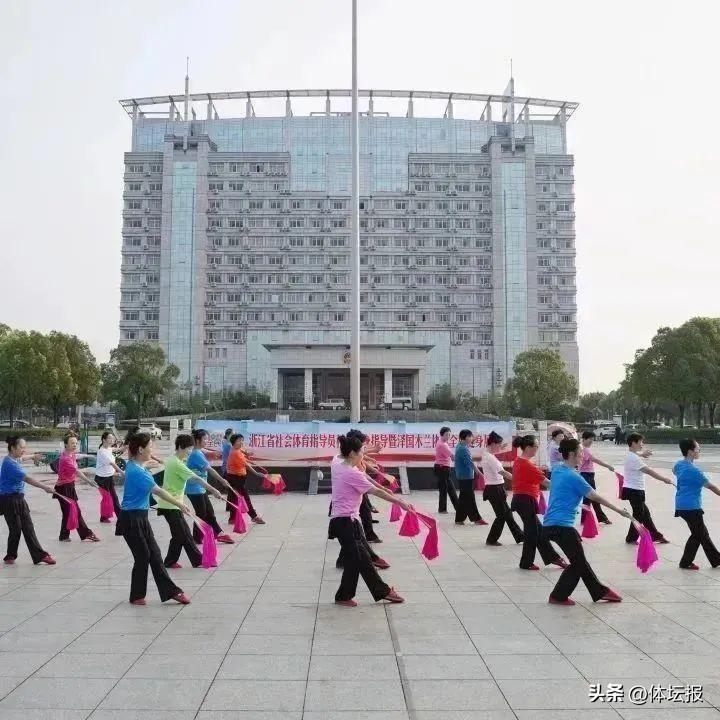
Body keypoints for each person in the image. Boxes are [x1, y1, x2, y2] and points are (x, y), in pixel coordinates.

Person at [543, 438, 632, 606]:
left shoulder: (557, 470)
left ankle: (600, 591)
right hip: (562, 526)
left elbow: (562, 492)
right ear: (572, 454)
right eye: (580, 453)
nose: (583, 456)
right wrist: (619, 510)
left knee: (579, 561)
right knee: (578, 564)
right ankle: (558, 596)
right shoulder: (574, 477)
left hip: (551, 524)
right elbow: (595, 496)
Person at [329, 433, 411, 607]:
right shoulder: (351, 473)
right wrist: (400, 502)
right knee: (363, 559)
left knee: (354, 560)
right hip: (346, 522)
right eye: (361, 451)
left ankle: (343, 596)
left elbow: (368, 479)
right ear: (352, 453)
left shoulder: (337, 462)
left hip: (347, 521)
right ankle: (383, 591)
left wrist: (384, 488)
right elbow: (376, 492)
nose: (363, 455)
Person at [116, 432, 192, 605]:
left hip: (140, 517)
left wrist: (152, 461)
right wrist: (180, 504)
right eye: (150, 446)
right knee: (143, 556)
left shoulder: (136, 465)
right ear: (141, 449)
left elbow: (142, 464)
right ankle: (137, 596)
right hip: (131, 519)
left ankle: (170, 592)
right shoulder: (137, 471)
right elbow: (158, 491)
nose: (153, 449)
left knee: (154, 554)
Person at [159, 434, 225, 569]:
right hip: (171, 505)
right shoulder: (177, 464)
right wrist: (214, 490)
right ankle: (198, 560)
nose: (190, 452)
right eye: (188, 449)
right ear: (181, 447)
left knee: (179, 535)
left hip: (173, 504)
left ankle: (170, 561)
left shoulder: (173, 460)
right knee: (184, 534)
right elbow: (197, 479)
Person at [510, 434, 567, 570]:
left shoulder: (519, 460)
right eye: (535, 446)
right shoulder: (527, 464)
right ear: (528, 447)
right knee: (532, 533)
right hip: (525, 501)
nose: (537, 449)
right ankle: (526, 563)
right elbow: (548, 483)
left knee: (538, 531)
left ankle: (553, 558)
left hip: (521, 499)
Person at [0, 436, 56, 565]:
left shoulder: (12, 459)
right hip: (9, 500)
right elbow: (27, 479)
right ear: (13, 448)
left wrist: (33, 456)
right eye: (21, 447)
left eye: (25, 447)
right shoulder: (10, 465)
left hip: (17, 498)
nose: (24, 450)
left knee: (27, 527)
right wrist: (45, 487)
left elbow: (22, 458)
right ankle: (11, 555)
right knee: (16, 528)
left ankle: (37, 556)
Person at [673, 439, 720, 570]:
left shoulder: (679, 465)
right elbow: (711, 486)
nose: (699, 451)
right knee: (698, 534)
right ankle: (685, 562)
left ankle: (716, 559)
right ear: (690, 451)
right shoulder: (695, 471)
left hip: (681, 505)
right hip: (691, 507)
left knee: (702, 533)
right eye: (698, 448)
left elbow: (674, 471)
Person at [621, 432, 673, 544]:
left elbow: (635, 455)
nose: (642, 444)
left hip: (634, 489)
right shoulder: (634, 458)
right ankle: (631, 538)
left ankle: (655, 536)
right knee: (639, 515)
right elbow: (648, 471)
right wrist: (664, 479)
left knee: (645, 515)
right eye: (641, 442)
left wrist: (642, 454)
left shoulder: (631, 455)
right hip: (634, 490)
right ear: (634, 443)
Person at [186, 429, 236, 544]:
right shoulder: (196, 454)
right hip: (194, 489)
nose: (207, 441)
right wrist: (222, 480)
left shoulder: (198, 451)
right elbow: (210, 469)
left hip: (200, 487)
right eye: (205, 439)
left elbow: (206, 453)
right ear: (197, 440)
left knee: (208, 512)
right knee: (202, 514)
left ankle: (217, 534)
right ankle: (200, 537)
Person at [54, 434, 100, 542]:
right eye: (72, 443)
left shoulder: (71, 454)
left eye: (76, 443)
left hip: (69, 486)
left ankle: (64, 536)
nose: (75, 445)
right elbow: (77, 472)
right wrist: (89, 481)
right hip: (64, 488)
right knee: (75, 511)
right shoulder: (65, 458)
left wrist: (88, 456)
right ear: (66, 445)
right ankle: (87, 533)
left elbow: (78, 456)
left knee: (68, 512)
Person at [481, 431, 523, 546]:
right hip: (494, 489)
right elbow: (503, 472)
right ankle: (491, 539)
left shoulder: (487, 454)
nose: (500, 447)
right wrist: (518, 479)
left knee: (507, 514)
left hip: (495, 487)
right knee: (501, 516)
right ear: (493, 444)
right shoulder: (490, 457)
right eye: (499, 445)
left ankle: (520, 536)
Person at [225, 433, 266, 525]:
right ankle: (254, 516)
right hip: (236, 478)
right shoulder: (235, 453)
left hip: (234, 477)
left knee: (234, 498)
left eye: (242, 440)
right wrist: (256, 473)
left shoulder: (236, 449)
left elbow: (242, 452)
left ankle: (232, 518)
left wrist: (246, 454)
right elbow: (245, 464)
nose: (241, 442)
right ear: (234, 442)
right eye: (239, 441)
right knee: (245, 498)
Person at [578, 430, 615, 525]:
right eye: (590, 439)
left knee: (591, 497)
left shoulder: (582, 448)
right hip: (587, 475)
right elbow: (595, 460)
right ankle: (588, 519)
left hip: (586, 474)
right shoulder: (585, 449)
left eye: (592, 439)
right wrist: (608, 466)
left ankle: (590, 519)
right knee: (591, 497)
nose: (591, 441)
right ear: (584, 439)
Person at [454, 429, 487, 526]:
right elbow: (470, 463)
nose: (471, 438)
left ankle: (459, 519)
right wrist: (480, 474)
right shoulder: (463, 449)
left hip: (463, 475)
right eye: (470, 436)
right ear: (465, 437)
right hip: (465, 476)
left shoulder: (460, 445)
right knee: (470, 498)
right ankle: (477, 519)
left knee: (463, 498)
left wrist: (473, 440)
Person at [95, 430, 124, 522]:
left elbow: (118, 449)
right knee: (107, 498)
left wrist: (127, 446)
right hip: (102, 479)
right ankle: (106, 517)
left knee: (113, 498)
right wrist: (122, 472)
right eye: (110, 438)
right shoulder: (102, 451)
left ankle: (118, 517)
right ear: (104, 440)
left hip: (109, 477)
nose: (112, 440)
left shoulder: (109, 449)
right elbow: (112, 463)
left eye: (112, 438)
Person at [434, 426, 458, 514]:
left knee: (450, 489)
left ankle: (457, 507)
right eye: (447, 434)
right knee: (445, 489)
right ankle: (442, 509)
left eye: (449, 434)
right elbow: (453, 457)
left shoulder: (442, 442)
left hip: (443, 468)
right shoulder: (442, 445)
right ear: (442, 435)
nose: (449, 436)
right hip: (442, 468)